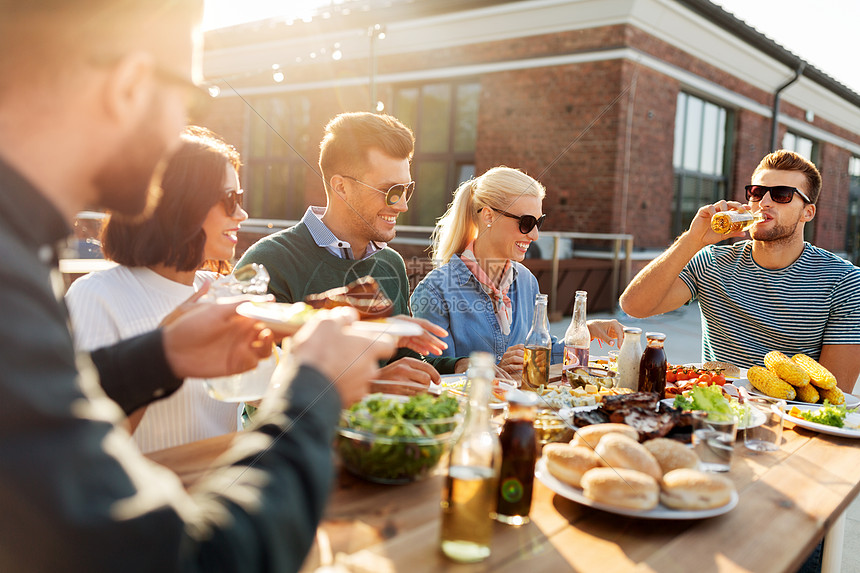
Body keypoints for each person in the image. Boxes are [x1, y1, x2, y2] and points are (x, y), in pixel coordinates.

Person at [0, 2, 396, 571]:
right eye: (188, 96)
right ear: (130, 85)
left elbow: (38, 432)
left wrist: (159, 356)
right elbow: (189, 561)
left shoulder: (22, 251)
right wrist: (313, 391)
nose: (180, 133)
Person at [237, 111, 478, 384]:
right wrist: (372, 384)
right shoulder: (267, 262)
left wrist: (458, 366)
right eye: (391, 191)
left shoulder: (391, 263)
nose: (402, 205)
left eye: (406, 190)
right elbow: (260, 382)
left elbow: (403, 361)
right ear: (341, 187)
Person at [65, 126, 251, 452]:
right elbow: (84, 448)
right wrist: (163, 353)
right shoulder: (95, 297)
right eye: (229, 199)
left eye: (240, 197)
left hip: (218, 491)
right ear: (181, 204)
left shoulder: (224, 293)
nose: (242, 213)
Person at [620, 150, 860, 392]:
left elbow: (835, 395)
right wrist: (693, 239)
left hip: (787, 418)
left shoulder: (843, 282)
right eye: (757, 193)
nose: (764, 202)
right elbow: (634, 307)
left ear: (807, 212)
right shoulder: (712, 263)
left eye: (781, 195)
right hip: (714, 411)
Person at [410, 166, 623, 377]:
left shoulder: (527, 281)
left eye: (539, 222)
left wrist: (585, 332)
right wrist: (473, 366)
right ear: (488, 216)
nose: (535, 235)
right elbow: (428, 367)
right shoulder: (435, 290)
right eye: (526, 222)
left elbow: (540, 354)